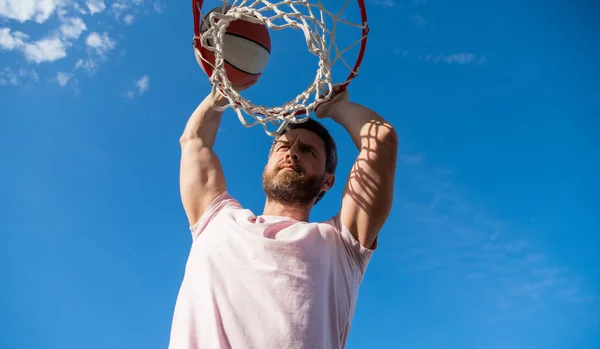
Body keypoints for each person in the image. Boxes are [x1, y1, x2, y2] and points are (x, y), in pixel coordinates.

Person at [169, 80, 398, 349]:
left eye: (307, 150)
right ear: (266, 166)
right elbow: (194, 141)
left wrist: (336, 107)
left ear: (327, 181)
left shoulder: (341, 244)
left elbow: (381, 141)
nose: (292, 153)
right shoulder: (216, 219)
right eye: (283, 146)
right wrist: (222, 91)